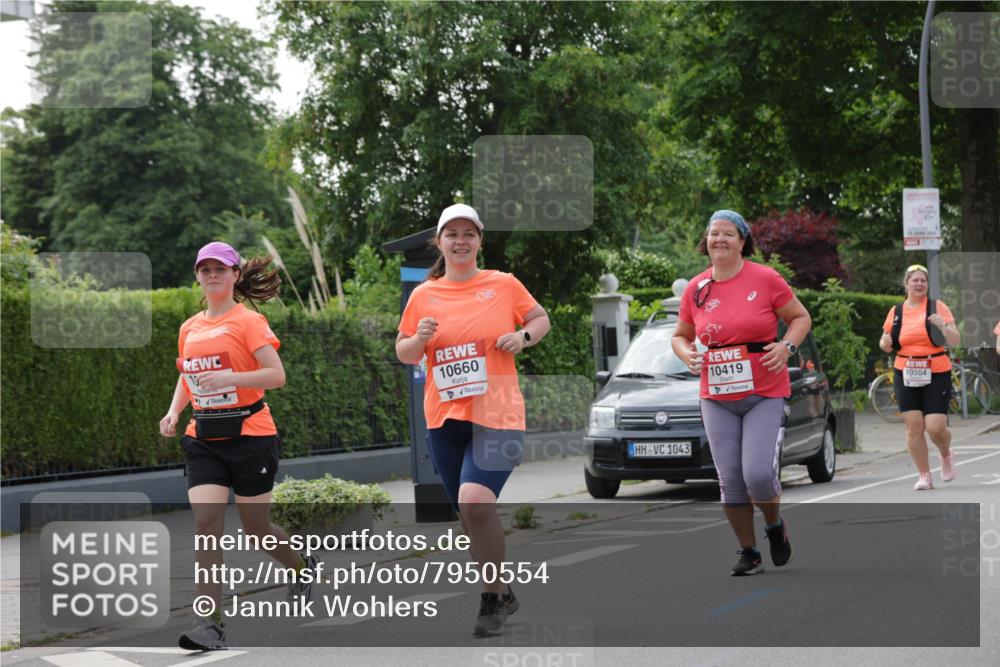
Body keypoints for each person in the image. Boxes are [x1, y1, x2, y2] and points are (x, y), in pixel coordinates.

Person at [395, 204, 551, 636]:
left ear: (480, 240)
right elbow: (404, 352)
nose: (460, 241)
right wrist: (418, 339)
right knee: (469, 514)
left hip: (498, 414)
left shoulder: (502, 284)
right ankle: (503, 589)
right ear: (439, 242)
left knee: (476, 502)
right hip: (444, 417)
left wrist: (522, 337)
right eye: (452, 234)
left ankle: (490, 601)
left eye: (469, 234)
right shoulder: (424, 295)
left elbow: (540, 319)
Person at [160, 242, 319, 651]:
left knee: (256, 528)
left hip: (251, 435)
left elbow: (275, 375)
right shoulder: (189, 327)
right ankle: (209, 623)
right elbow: (188, 374)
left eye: (220, 268)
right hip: (204, 438)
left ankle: (303, 567)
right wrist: (174, 412)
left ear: (234, 275)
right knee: (206, 525)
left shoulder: (249, 321)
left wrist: (231, 379)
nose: (212, 275)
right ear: (197, 276)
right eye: (205, 269)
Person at [671, 210, 812, 576]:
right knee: (730, 479)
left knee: (758, 476)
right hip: (715, 395)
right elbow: (680, 335)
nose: (720, 239)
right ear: (706, 240)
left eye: (729, 234)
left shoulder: (765, 278)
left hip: (763, 389)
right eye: (714, 233)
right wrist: (687, 354)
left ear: (743, 240)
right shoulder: (697, 288)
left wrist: (786, 348)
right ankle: (748, 551)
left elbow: (800, 318)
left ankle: (773, 525)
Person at [878, 264, 961, 490]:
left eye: (923, 280)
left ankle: (945, 454)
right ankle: (924, 475)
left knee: (935, 427)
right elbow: (886, 342)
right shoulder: (896, 311)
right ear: (906, 284)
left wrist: (943, 326)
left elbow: (955, 341)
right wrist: (884, 344)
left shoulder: (937, 307)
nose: (919, 284)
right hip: (905, 371)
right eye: (914, 280)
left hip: (936, 370)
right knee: (914, 427)